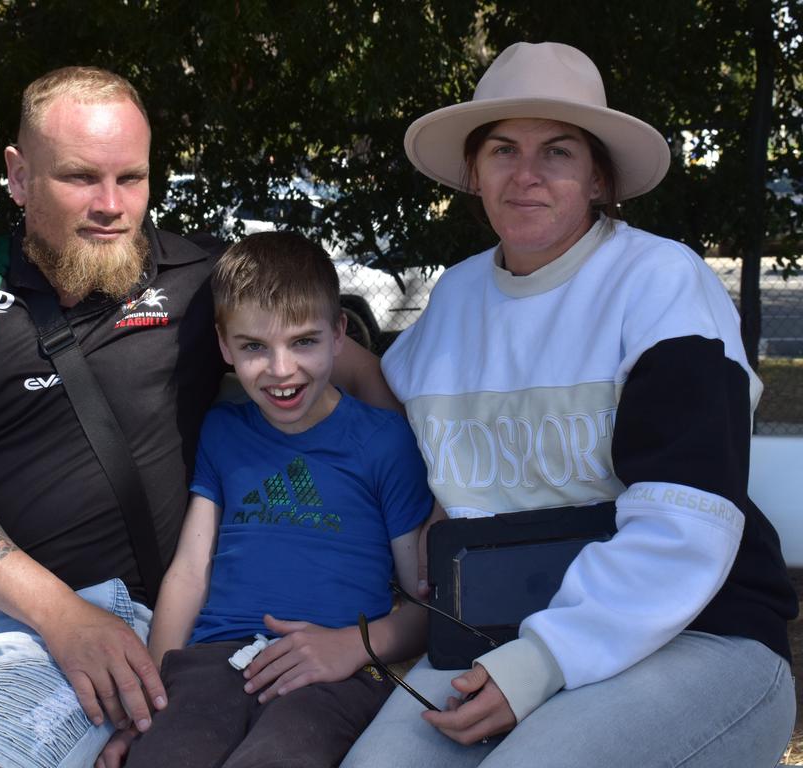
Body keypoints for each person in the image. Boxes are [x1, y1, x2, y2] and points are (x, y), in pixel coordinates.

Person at [0, 67, 392, 768]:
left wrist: (406, 509)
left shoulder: (203, 286)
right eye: (80, 178)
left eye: (131, 178)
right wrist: (58, 615)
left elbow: (343, 364)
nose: (111, 205)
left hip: (94, 626)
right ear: (17, 175)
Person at [341, 41, 798, 768]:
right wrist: (314, 351)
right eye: (501, 150)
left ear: (597, 178)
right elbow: (390, 419)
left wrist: (543, 661)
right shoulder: (457, 297)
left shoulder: (658, 284)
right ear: (473, 171)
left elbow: (688, 519)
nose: (525, 175)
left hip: (695, 631)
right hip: (492, 633)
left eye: (557, 151)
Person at [109, 231, 433, 768]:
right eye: (255, 347)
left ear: (338, 336)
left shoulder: (382, 440)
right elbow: (190, 571)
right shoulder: (223, 430)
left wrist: (355, 646)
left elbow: (423, 601)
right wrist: (146, 708)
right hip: (215, 661)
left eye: (303, 341)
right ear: (224, 347)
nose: (281, 371)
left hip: (338, 669)